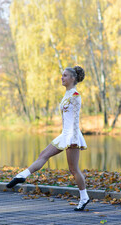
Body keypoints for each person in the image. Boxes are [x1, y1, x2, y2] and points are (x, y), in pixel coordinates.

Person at [6, 66, 89, 211]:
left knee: (73, 169)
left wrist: (74, 139)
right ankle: (22, 175)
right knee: (44, 154)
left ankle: (84, 197)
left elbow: (75, 120)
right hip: (64, 134)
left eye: (65, 75)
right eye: (62, 75)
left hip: (72, 136)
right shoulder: (67, 94)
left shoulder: (75, 96)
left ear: (73, 78)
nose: (62, 78)